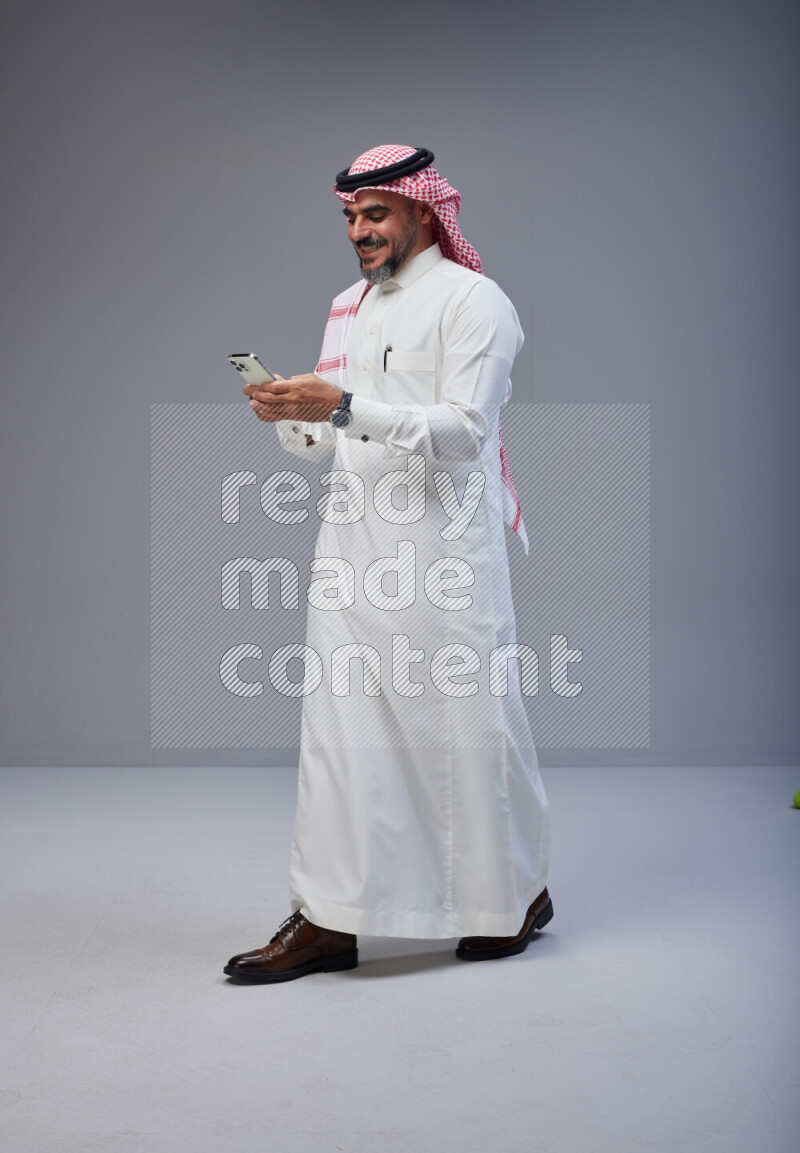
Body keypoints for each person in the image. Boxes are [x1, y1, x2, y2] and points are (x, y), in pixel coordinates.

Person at [225, 145, 552, 983]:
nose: (359, 230)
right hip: (352, 548)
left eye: (374, 212)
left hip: (445, 555)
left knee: (468, 730)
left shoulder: (476, 301)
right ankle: (331, 915)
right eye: (348, 216)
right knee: (341, 734)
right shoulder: (348, 307)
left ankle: (509, 898)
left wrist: (337, 403)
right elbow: (329, 436)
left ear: (422, 210)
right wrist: (288, 414)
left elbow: (465, 432)